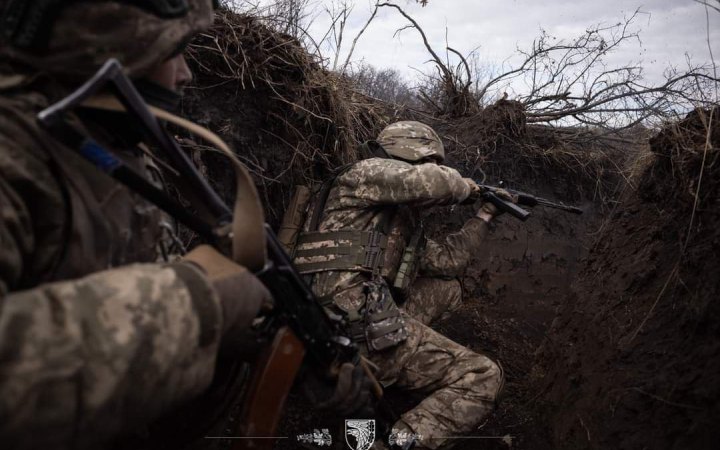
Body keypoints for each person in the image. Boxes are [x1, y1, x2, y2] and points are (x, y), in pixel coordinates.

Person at [0, 1, 369, 448]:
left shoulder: (115, 151)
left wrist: (269, 345)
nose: (185, 73)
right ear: (110, 49)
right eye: (172, 50)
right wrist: (201, 303)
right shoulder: (17, 154)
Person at [293, 121, 509, 449]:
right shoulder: (365, 172)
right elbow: (432, 183)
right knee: (482, 376)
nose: (437, 168)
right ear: (413, 154)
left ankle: (384, 382)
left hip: (341, 317)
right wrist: (470, 188)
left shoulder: (391, 223)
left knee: (448, 289)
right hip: (349, 325)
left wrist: (485, 215)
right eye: (433, 162)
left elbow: (448, 261)